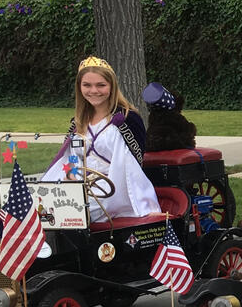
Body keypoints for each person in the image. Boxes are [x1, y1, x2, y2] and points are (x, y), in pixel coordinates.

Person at [44, 56, 161, 222]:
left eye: (101, 85)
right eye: (87, 85)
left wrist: (94, 189)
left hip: (115, 190)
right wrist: (70, 177)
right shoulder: (79, 122)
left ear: (112, 87)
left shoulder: (127, 119)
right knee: (38, 203)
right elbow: (71, 156)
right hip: (79, 184)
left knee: (70, 210)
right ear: (79, 87)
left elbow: (131, 164)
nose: (94, 91)